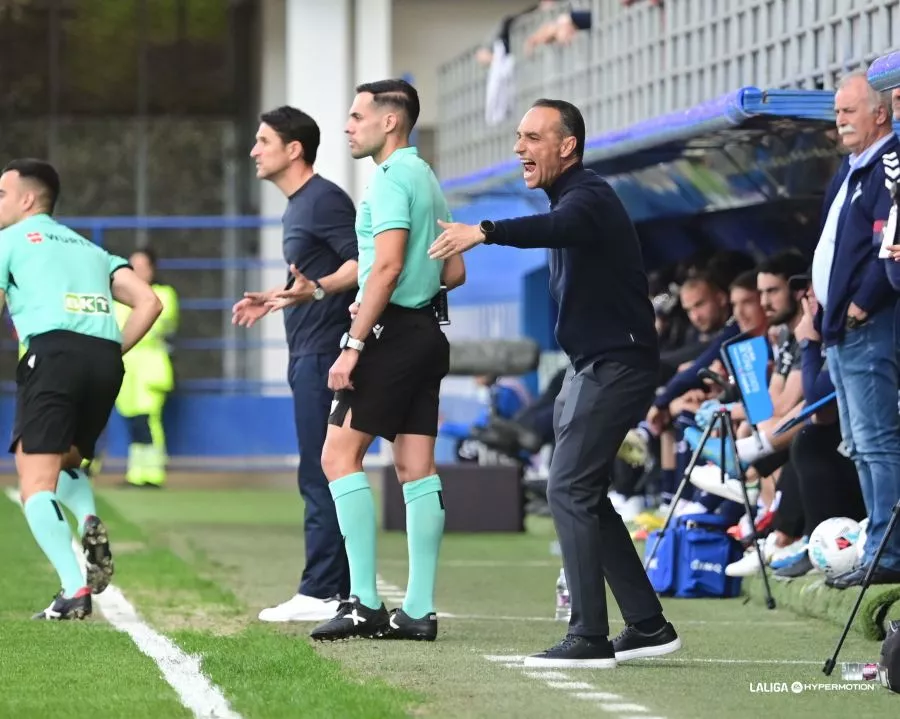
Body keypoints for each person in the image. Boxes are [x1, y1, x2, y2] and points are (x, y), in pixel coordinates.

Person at [429, 99, 680, 667]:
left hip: (617, 363)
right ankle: (647, 626)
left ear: (567, 146)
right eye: (518, 137)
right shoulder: (571, 197)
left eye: (533, 137)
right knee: (584, 492)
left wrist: (485, 231)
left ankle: (589, 635)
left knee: (566, 486)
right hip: (594, 363)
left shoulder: (586, 196)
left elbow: (557, 227)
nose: (520, 147)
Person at [308, 79, 465, 642]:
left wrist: (353, 342)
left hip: (390, 334)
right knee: (415, 468)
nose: (348, 126)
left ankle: (364, 603)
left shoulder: (391, 178)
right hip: (425, 333)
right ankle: (418, 610)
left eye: (356, 116)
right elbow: (454, 271)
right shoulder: (426, 177)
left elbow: (389, 266)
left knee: (337, 455)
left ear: (390, 121)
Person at [0, 158, 162, 620]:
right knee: (68, 457)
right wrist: (112, 350)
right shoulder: (90, 248)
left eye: (1, 194)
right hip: (103, 360)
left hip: (51, 356)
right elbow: (149, 301)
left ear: (27, 199)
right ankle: (88, 519)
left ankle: (74, 591)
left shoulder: (9, 241)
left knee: (33, 482)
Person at [232, 106, 359, 622]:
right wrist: (279, 297)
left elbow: (362, 262)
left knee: (320, 470)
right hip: (306, 349)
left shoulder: (324, 199)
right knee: (323, 468)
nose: (254, 150)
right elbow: (317, 278)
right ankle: (337, 586)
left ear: (293, 150)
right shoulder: (297, 206)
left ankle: (323, 589)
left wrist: (316, 293)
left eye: (263, 141)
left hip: (325, 352)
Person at [811, 71, 900, 589]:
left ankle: (889, 553)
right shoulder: (852, 168)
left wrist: (862, 304)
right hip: (840, 328)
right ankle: (877, 548)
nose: (839, 119)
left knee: (877, 440)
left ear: (880, 113)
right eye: (837, 112)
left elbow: (888, 244)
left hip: (867, 325)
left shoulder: (888, 164)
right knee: (859, 443)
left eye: (848, 111)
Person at [114, 247, 179, 488]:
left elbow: (157, 325)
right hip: (126, 367)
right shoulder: (119, 299)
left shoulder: (163, 294)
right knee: (132, 421)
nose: (138, 272)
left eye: (143, 267)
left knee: (147, 419)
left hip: (150, 366)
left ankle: (153, 472)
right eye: (133, 267)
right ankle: (136, 473)